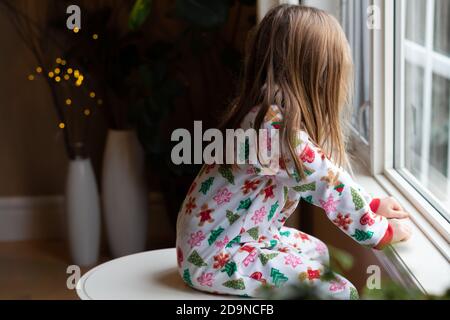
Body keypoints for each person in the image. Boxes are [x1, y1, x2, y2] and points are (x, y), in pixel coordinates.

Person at [175, 4, 411, 299]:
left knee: (317, 251)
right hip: (214, 257)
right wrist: (379, 231)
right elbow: (329, 184)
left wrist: (371, 204)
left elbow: (327, 178)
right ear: (319, 77)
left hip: (225, 241)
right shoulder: (276, 132)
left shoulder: (263, 113)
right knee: (341, 292)